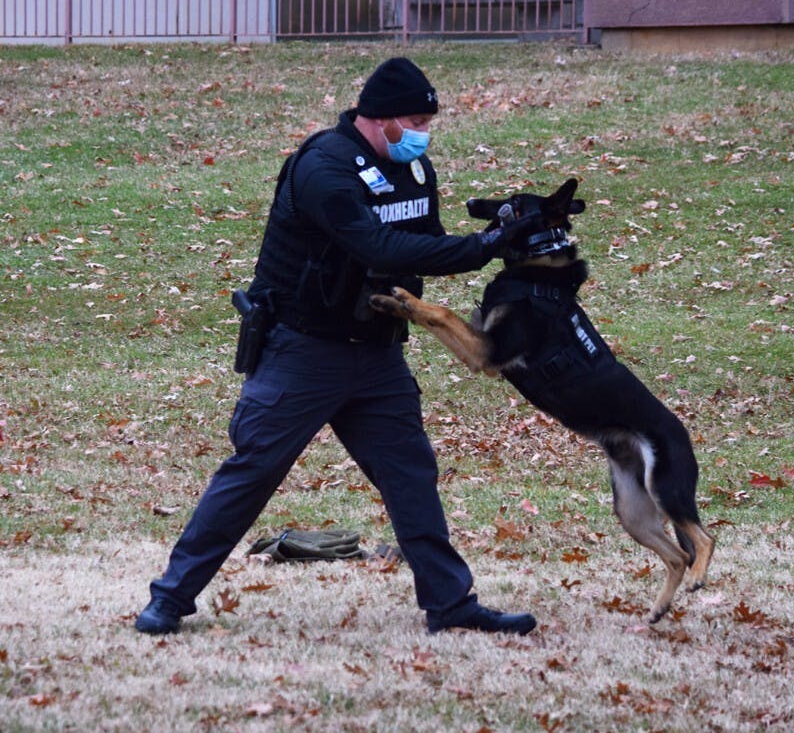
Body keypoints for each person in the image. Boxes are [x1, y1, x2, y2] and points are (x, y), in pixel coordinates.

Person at [135, 57, 538, 637]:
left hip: (375, 352)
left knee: (410, 475)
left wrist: (494, 237)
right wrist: (485, 247)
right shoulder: (323, 167)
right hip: (303, 353)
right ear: (378, 119)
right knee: (251, 473)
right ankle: (170, 599)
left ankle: (450, 605)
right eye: (416, 118)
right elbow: (377, 246)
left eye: (429, 119)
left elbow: (424, 244)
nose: (423, 130)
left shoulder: (414, 170)